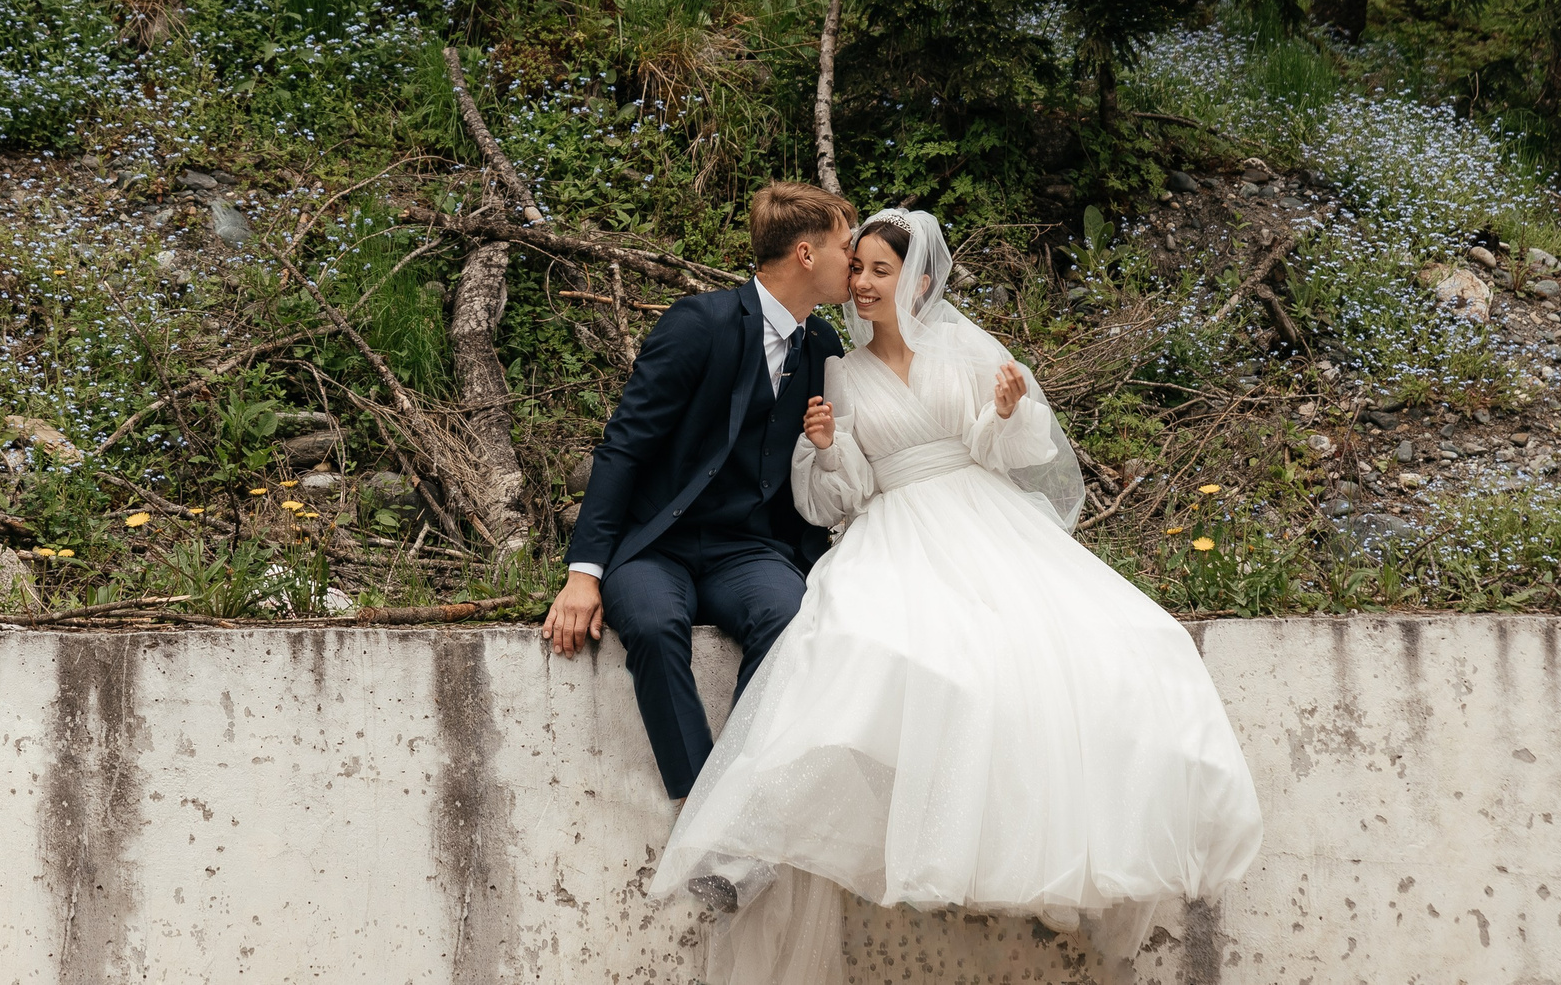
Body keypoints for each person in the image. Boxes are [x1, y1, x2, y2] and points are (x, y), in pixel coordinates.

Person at [650, 208, 1261, 985]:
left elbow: (1012, 450)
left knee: (1097, 651)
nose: (862, 282)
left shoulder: (968, 350)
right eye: (858, 267)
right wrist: (828, 448)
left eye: (880, 270)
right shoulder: (840, 369)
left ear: (920, 281)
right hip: (892, 527)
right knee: (864, 648)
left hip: (982, 517)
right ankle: (764, 835)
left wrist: (1004, 412)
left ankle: (1053, 838)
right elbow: (839, 497)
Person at [540, 181, 856, 802]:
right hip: (657, 543)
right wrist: (584, 573)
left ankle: (736, 795)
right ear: (806, 254)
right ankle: (700, 804)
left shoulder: (822, 345)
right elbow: (624, 447)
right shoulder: (699, 324)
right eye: (846, 246)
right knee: (654, 626)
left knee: (791, 616)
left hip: (748, 548)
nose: (855, 259)